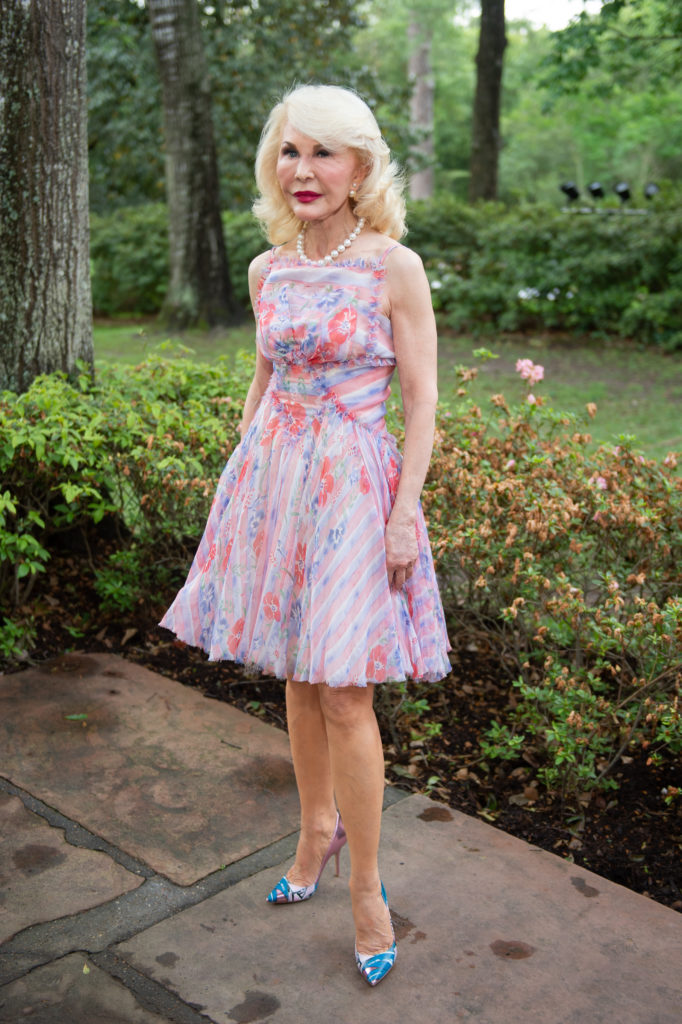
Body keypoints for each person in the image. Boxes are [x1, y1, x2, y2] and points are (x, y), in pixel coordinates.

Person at [160, 83, 450, 986]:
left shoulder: (393, 268)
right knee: (295, 671)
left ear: (361, 167)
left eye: (325, 153)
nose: (305, 170)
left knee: (346, 694)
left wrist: (405, 511)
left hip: (358, 496)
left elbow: (422, 400)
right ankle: (312, 830)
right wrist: (235, 482)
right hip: (276, 485)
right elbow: (263, 383)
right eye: (291, 151)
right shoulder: (266, 270)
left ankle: (367, 888)